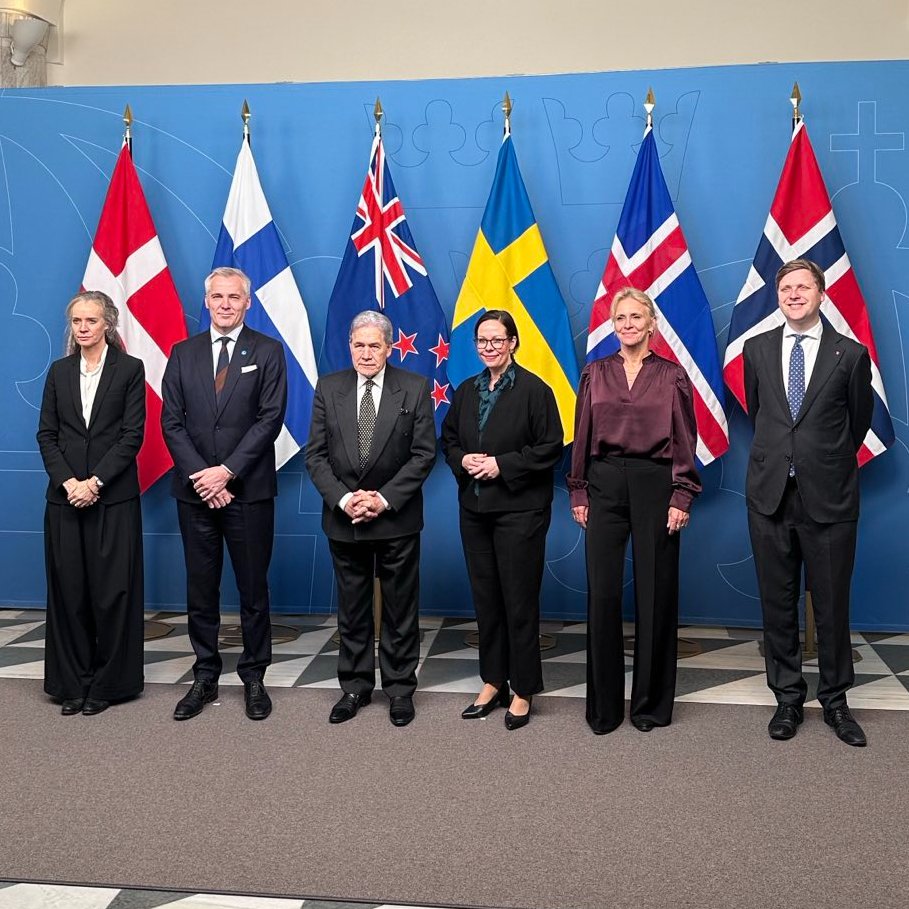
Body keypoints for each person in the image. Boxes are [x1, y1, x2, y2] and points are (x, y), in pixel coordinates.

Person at [744, 258, 873, 747]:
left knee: (833, 604)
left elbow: (856, 423)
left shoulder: (851, 354)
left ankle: (837, 702)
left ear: (821, 293)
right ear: (778, 296)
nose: (793, 294)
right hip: (770, 496)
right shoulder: (756, 349)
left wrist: (820, 460)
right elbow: (761, 414)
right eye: (785, 288)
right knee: (777, 605)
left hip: (830, 498)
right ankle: (788, 700)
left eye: (803, 287)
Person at [569, 287, 700, 735]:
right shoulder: (594, 373)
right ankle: (603, 710)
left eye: (635, 317)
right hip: (603, 483)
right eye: (620, 317)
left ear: (651, 325)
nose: (627, 324)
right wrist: (579, 491)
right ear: (613, 324)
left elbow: (685, 438)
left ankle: (649, 706)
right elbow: (582, 434)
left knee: (656, 593)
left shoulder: (671, 375)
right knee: (602, 595)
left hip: (656, 483)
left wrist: (681, 494)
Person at [161, 267, 287, 722]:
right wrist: (203, 477)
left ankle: (254, 677)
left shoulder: (269, 352)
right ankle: (205, 676)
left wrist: (227, 472)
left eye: (234, 297)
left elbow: (269, 420)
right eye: (218, 296)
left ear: (248, 302)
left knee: (253, 589)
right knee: (202, 589)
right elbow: (171, 422)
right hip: (196, 493)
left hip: (247, 492)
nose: (226, 304)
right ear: (207, 300)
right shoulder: (182, 353)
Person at [306, 310, 435, 727]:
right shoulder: (329, 388)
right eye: (359, 345)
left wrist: (382, 499)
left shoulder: (414, 388)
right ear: (350, 346)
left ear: (389, 347)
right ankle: (355, 687)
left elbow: (423, 454)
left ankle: (399, 689)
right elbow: (316, 455)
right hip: (345, 519)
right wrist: (345, 501)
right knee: (353, 609)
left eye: (374, 345)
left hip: (394, 517)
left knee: (400, 609)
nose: (365, 353)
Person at [441, 310, 562, 730]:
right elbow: (448, 440)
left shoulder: (535, 390)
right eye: (482, 341)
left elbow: (550, 448)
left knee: (519, 602)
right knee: (486, 601)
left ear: (513, 342)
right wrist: (463, 459)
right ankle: (493, 681)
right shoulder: (467, 390)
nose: (488, 348)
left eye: (497, 340)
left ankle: (523, 689)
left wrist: (502, 465)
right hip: (474, 511)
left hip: (520, 513)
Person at [37, 290, 146, 716]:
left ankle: (108, 685)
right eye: (77, 322)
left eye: (91, 321)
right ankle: (72, 684)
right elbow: (46, 435)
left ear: (108, 324)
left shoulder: (130, 370)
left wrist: (95, 482)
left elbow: (131, 436)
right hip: (64, 501)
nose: (83, 328)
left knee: (112, 593)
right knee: (70, 593)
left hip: (113, 499)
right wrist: (69, 482)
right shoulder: (58, 372)